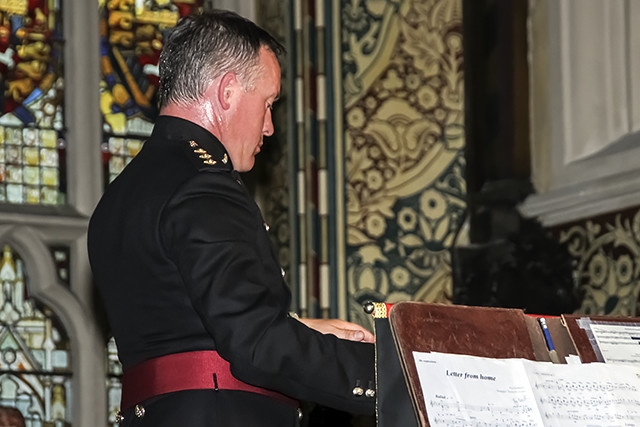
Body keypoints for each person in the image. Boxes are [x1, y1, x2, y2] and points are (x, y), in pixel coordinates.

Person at [88, 10, 376, 427]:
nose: (270, 127)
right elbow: (256, 344)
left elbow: (184, 322)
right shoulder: (204, 184)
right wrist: (391, 375)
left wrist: (301, 329)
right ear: (227, 92)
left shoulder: (122, 195)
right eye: (268, 103)